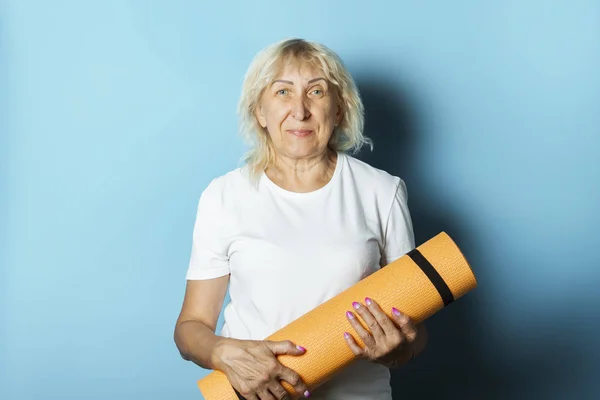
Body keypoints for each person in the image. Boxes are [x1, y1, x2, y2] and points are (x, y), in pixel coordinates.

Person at [173, 38, 428, 400]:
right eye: (282, 92)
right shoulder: (224, 196)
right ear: (259, 112)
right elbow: (190, 328)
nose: (300, 110)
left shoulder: (382, 191)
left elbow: (415, 331)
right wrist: (221, 352)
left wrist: (398, 350)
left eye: (316, 92)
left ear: (338, 109)